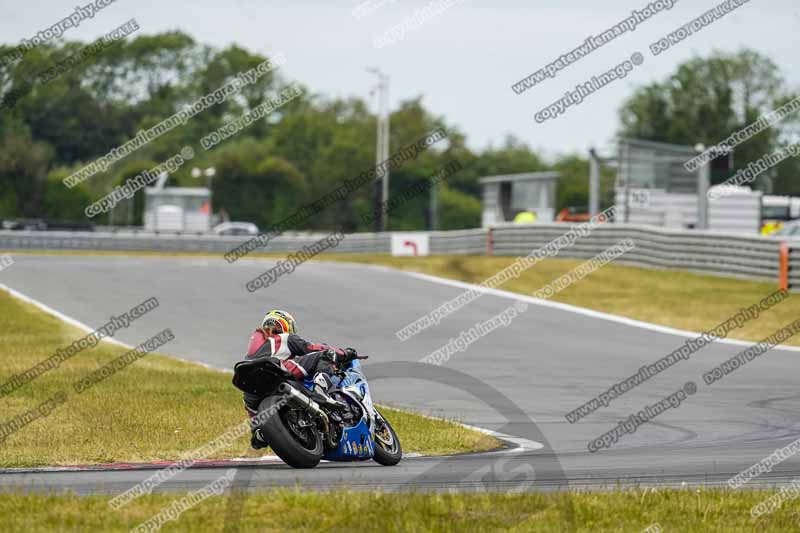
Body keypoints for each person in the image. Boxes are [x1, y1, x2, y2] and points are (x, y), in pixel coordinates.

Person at [242, 309, 358, 449]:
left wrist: (259, 435)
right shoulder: (285, 338)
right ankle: (321, 388)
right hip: (278, 369)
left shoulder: (254, 348)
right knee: (325, 355)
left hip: (250, 387)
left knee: (256, 421)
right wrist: (344, 353)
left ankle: (260, 432)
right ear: (286, 325)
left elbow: (255, 443)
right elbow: (314, 348)